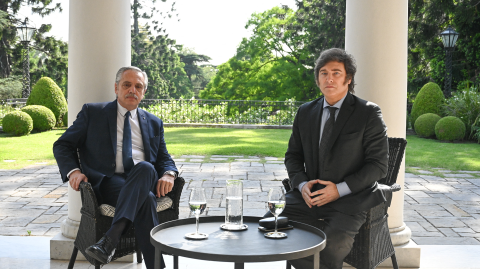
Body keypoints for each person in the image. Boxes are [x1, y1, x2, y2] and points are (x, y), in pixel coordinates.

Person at [269, 48, 389, 269]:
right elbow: (293, 156)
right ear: (317, 79)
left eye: (336, 72)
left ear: (348, 78)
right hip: (309, 198)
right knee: (269, 229)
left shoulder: (368, 113)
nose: (329, 78)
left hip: (350, 199)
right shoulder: (305, 112)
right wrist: (302, 184)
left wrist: (339, 189)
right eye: (323, 73)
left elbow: (379, 166)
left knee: (332, 246)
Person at [53, 66, 178, 269]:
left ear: (144, 91)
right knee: (145, 200)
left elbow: (164, 157)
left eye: (138, 86)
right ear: (116, 88)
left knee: (146, 168)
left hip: (144, 178)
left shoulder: (154, 122)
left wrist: (170, 174)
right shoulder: (93, 113)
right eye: (127, 85)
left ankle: (109, 241)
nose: (132, 90)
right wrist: (73, 171)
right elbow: (62, 145)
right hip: (109, 183)